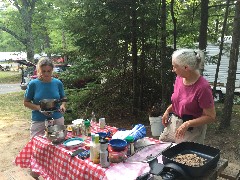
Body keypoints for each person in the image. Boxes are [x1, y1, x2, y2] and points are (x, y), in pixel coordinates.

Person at [159, 49, 216, 144]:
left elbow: (211, 116)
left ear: (186, 68)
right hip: (174, 123)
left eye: (175, 66)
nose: (173, 70)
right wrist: (168, 111)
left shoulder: (203, 87)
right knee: (161, 149)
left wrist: (188, 123)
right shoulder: (179, 79)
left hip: (191, 129)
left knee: (181, 156)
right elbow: (179, 101)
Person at [23, 57, 67, 139]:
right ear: (39, 70)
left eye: (49, 71)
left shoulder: (57, 83)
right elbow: (26, 102)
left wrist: (63, 105)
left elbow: (63, 98)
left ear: (52, 70)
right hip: (39, 120)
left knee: (57, 143)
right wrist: (38, 108)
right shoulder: (33, 84)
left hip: (57, 119)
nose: (46, 74)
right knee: (37, 144)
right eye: (43, 71)